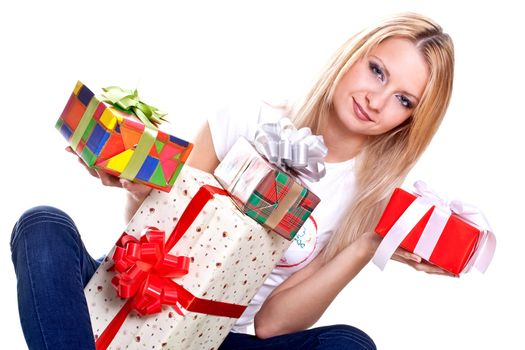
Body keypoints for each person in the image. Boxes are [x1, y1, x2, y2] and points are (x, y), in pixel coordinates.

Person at [10, 12, 455, 350]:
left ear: (410, 121)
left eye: (402, 99)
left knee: (349, 344)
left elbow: (271, 325)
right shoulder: (247, 119)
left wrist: (367, 244)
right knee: (42, 224)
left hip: (219, 336)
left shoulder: (365, 199)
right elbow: (153, 233)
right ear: (353, 57)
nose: (375, 100)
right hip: (132, 302)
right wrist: (141, 189)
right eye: (377, 70)